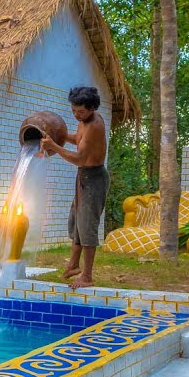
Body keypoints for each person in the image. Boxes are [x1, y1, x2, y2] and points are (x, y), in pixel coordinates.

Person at [40, 86, 109, 289]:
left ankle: (87, 276)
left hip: (94, 179)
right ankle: (72, 266)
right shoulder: (84, 121)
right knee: (76, 223)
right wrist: (56, 136)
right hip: (83, 177)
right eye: (73, 110)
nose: (76, 115)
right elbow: (77, 140)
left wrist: (54, 146)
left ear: (92, 108)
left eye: (80, 111)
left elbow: (79, 158)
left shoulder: (95, 125)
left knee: (87, 226)